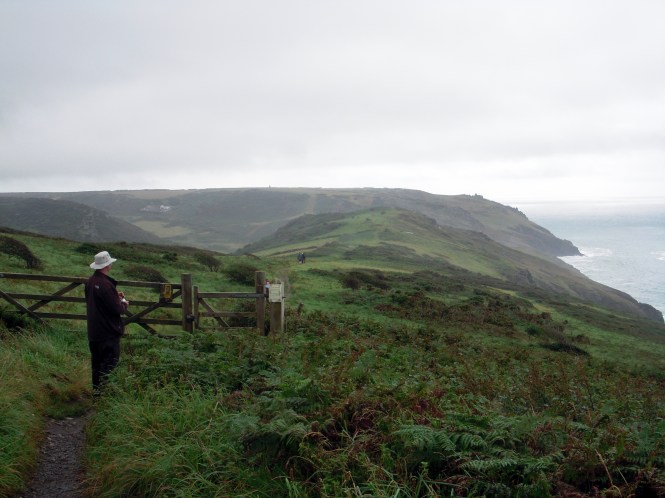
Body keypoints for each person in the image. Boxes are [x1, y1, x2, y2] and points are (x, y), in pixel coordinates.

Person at [85, 250, 129, 396]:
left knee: (96, 365)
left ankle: (97, 395)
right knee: (108, 365)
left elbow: (99, 301)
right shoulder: (106, 284)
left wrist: (114, 295)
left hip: (94, 331)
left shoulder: (91, 281)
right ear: (107, 265)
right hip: (108, 332)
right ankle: (104, 397)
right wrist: (123, 304)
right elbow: (117, 309)